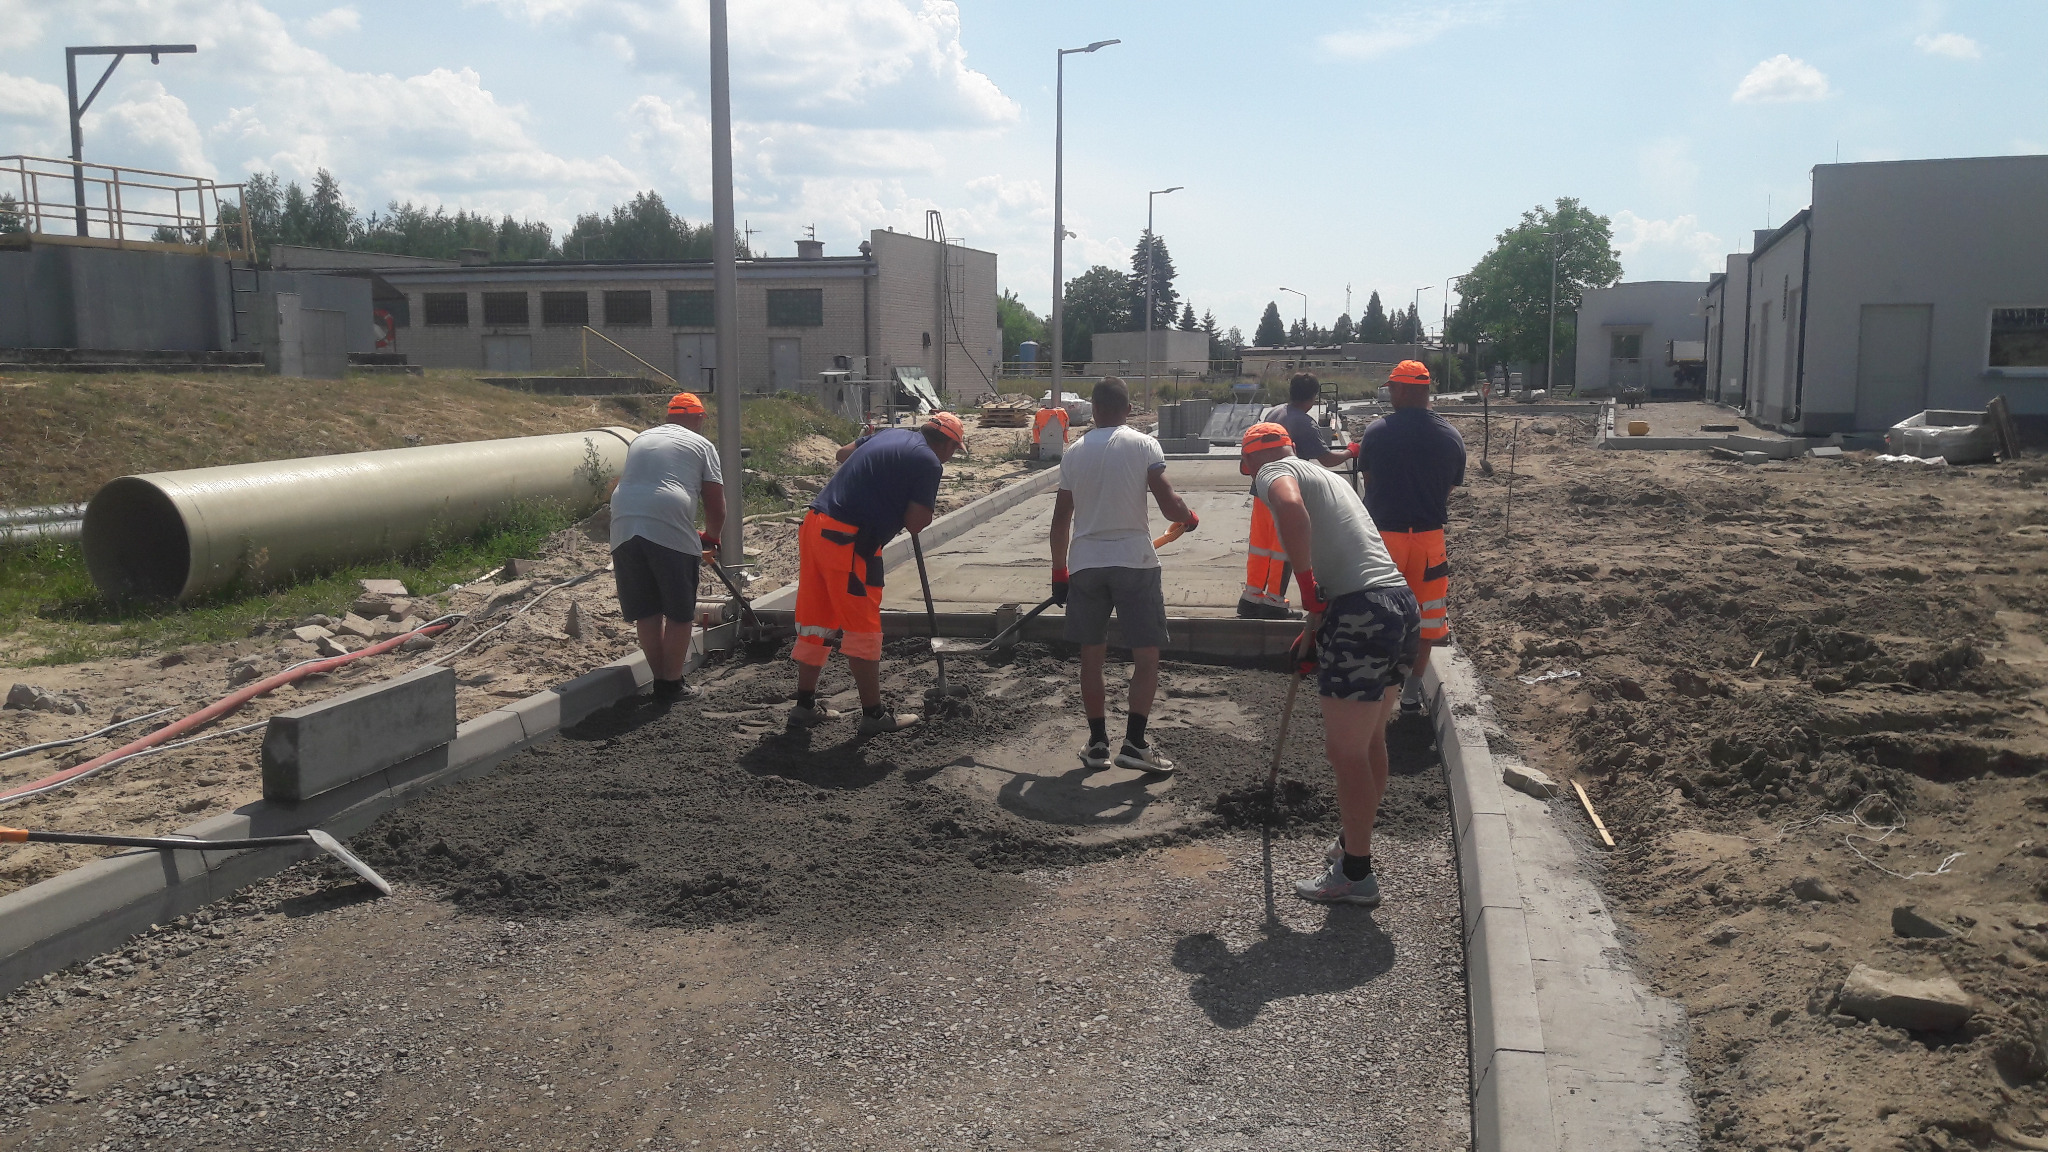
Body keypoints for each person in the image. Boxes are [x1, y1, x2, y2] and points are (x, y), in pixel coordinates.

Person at [1239, 421, 1420, 907]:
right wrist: (1315, 625)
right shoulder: (1330, 476)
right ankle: (1350, 845)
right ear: (1293, 445)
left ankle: (1356, 874)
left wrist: (1305, 588)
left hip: (1360, 612)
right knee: (1369, 742)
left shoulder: (1272, 471)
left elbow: (1290, 508)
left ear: (1248, 462)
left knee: (1346, 754)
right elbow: (1349, 556)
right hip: (1396, 605)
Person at [788, 411, 968, 738]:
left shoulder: (887, 435)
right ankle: (873, 714)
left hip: (816, 525)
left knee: (818, 619)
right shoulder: (929, 462)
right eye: (954, 450)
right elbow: (916, 522)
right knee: (863, 628)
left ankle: (804, 705)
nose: (951, 456)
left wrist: (881, 481)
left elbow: (843, 454)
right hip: (850, 539)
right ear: (950, 445)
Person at [1049, 378, 1197, 773]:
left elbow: (1061, 518)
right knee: (1146, 656)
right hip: (1134, 561)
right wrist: (1188, 517)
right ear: (1127, 410)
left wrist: (1058, 572)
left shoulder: (1074, 453)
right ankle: (1134, 743)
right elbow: (1169, 503)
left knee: (1091, 658)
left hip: (1086, 564)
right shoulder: (1143, 444)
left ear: (1093, 410)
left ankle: (1098, 744)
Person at [1350, 359, 1466, 716]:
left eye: (1391, 388)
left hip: (1384, 539)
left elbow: (1369, 482)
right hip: (1429, 541)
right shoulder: (1450, 436)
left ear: (1400, 390)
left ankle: (1373, 688)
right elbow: (1447, 490)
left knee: (1376, 614)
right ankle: (1412, 696)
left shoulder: (1377, 432)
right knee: (1429, 621)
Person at [609, 391, 724, 703]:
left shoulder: (641, 439)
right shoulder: (701, 444)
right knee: (678, 611)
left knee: (647, 610)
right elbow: (715, 500)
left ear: (670, 416)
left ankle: (663, 681)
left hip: (623, 521)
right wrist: (712, 537)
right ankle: (671, 684)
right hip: (667, 519)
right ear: (700, 418)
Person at [1240, 372, 1351, 620]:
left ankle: (1251, 597)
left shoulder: (1275, 413)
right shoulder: (1304, 422)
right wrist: (1351, 451)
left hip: (1261, 488)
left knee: (1260, 546)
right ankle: (1275, 604)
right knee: (1283, 548)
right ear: (1313, 398)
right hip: (1284, 491)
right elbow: (1327, 459)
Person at [1031, 395, 1070, 461]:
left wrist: (1037, 440)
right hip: (1053, 437)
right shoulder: (1061, 412)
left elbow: (1035, 428)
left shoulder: (1041, 413)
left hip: (1047, 436)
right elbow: (1066, 426)